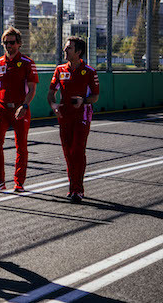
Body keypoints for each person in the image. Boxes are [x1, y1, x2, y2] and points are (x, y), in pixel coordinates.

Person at [47, 36, 99, 204]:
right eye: (65, 47)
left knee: (77, 151)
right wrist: (54, 105)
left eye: (69, 48)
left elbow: (95, 97)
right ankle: (73, 188)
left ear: (79, 52)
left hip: (82, 116)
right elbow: (51, 93)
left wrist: (83, 100)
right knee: (68, 153)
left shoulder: (90, 71)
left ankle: (78, 189)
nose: (65, 50)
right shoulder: (60, 70)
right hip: (65, 116)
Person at [0, 27, 39, 193]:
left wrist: (24, 106)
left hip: (20, 108)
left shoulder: (27, 63)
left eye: (11, 42)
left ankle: (19, 182)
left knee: (21, 146)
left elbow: (32, 89)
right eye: (5, 42)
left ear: (19, 43)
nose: (8, 45)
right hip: (1, 108)